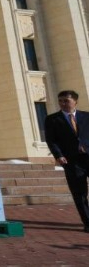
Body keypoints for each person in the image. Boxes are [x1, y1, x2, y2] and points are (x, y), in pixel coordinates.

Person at [45, 90, 89, 232]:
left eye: (66, 101)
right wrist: (58, 155)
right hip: (72, 161)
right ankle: (87, 222)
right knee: (80, 194)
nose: (63, 103)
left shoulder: (86, 116)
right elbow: (51, 140)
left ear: (75, 101)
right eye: (60, 101)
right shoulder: (52, 119)